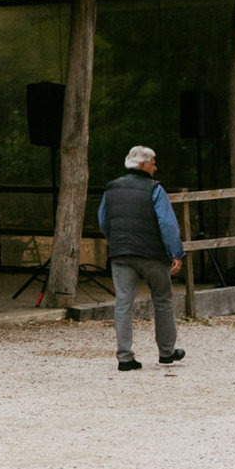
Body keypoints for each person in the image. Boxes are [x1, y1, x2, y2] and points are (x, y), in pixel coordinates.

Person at [100, 145, 186, 371]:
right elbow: (167, 224)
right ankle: (167, 352)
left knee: (123, 303)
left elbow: (103, 220)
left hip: (121, 254)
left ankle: (125, 357)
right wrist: (175, 252)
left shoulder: (111, 188)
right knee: (163, 300)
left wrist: (116, 240)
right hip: (152, 254)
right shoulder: (154, 189)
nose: (156, 168)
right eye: (153, 163)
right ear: (143, 165)